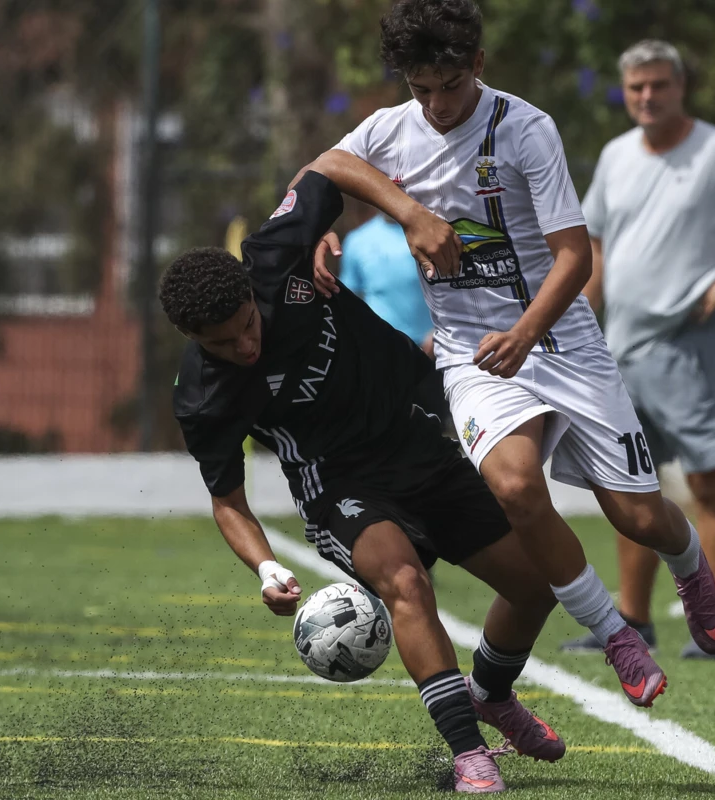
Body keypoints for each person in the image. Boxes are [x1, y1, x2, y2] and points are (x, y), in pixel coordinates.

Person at [313, 0, 715, 690]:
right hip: (472, 354)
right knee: (513, 485)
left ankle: (688, 564)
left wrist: (527, 332)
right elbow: (324, 170)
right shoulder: (391, 130)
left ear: (477, 65)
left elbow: (574, 258)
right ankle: (616, 634)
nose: (437, 106)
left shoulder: (527, 129)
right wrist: (338, 228)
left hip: (560, 340)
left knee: (637, 514)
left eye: (449, 88)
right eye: (421, 91)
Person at [167, 149, 573, 794]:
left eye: (247, 326)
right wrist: (267, 568)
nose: (244, 346)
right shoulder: (204, 397)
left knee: (535, 587)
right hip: (337, 484)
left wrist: (401, 215)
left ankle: (492, 694)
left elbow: (328, 169)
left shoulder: (276, 258)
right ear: (192, 337)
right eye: (222, 344)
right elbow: (228, 501)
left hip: (416, 442)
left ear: (251, 291)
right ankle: (471, 756)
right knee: (406, 583)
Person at [564, 40, 715, 659]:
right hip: (622, 348)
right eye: (637, 87)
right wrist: (582, 316)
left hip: (691, 344)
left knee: (705, 480)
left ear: (680, 87)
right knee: (629, 483)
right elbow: (594, 243)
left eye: (659, 86)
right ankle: (632, 619)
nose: (647, 97)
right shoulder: (617, 155)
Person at [338, 213, 451, 424]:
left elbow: (453, 290)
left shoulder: (431, 230)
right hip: (383, 356)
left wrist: (440, 331)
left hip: (432, 353)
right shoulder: (357, 240)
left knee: (438, 432)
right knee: (389, 432)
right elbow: (348, 300)